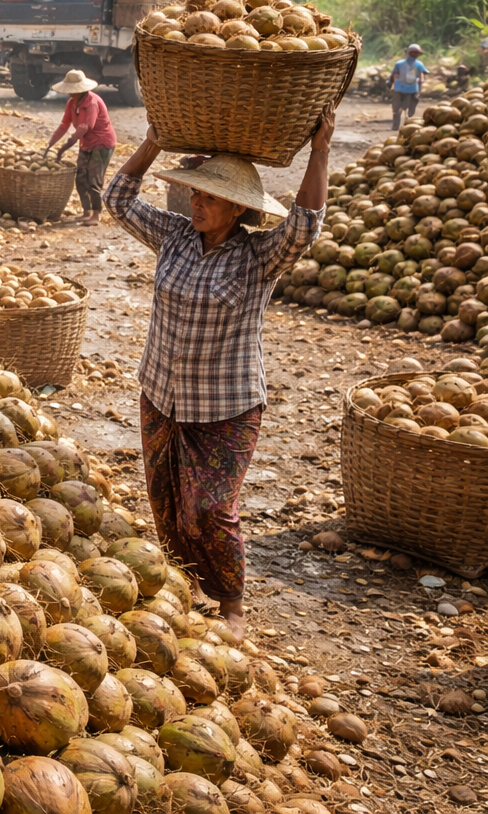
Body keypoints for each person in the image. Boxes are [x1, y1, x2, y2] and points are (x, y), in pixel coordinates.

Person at [103, 104, 334, 643]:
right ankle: (189, 587)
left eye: (208, 196)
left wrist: (319, 151)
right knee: (166, 503)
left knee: (210, 509)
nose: (196, 202)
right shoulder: (175, 235)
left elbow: (305, 225)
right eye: (195, 193)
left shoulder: (258, 258)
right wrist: (152, 144)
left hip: (227, 404)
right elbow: (117, 198)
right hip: (161, 392)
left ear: (236, 208)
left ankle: (232, 604)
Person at [44, 69, 117, 226]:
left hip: (102, 143)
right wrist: (50, 144)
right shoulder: (72, 103)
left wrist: (65, 147)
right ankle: (86, 211)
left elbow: (85, 127)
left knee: (94, 178)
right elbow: (64, 125)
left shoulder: (91, 103)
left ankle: (96, 215)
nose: (70, 94)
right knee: (80, 177)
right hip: (87, 143)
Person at [388, 44, 427, 131]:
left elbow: (421, 76)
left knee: (404, 108)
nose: (414, 54)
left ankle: (404, 126)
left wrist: (419, 88)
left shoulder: (418, 65)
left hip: (409, 89)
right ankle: (398, 125)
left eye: (415, 53)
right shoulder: (401, 64)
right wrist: (391, 85)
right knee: (399, 108)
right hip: (402, 89)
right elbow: (394, 75)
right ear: (409, 52)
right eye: (413, 52)